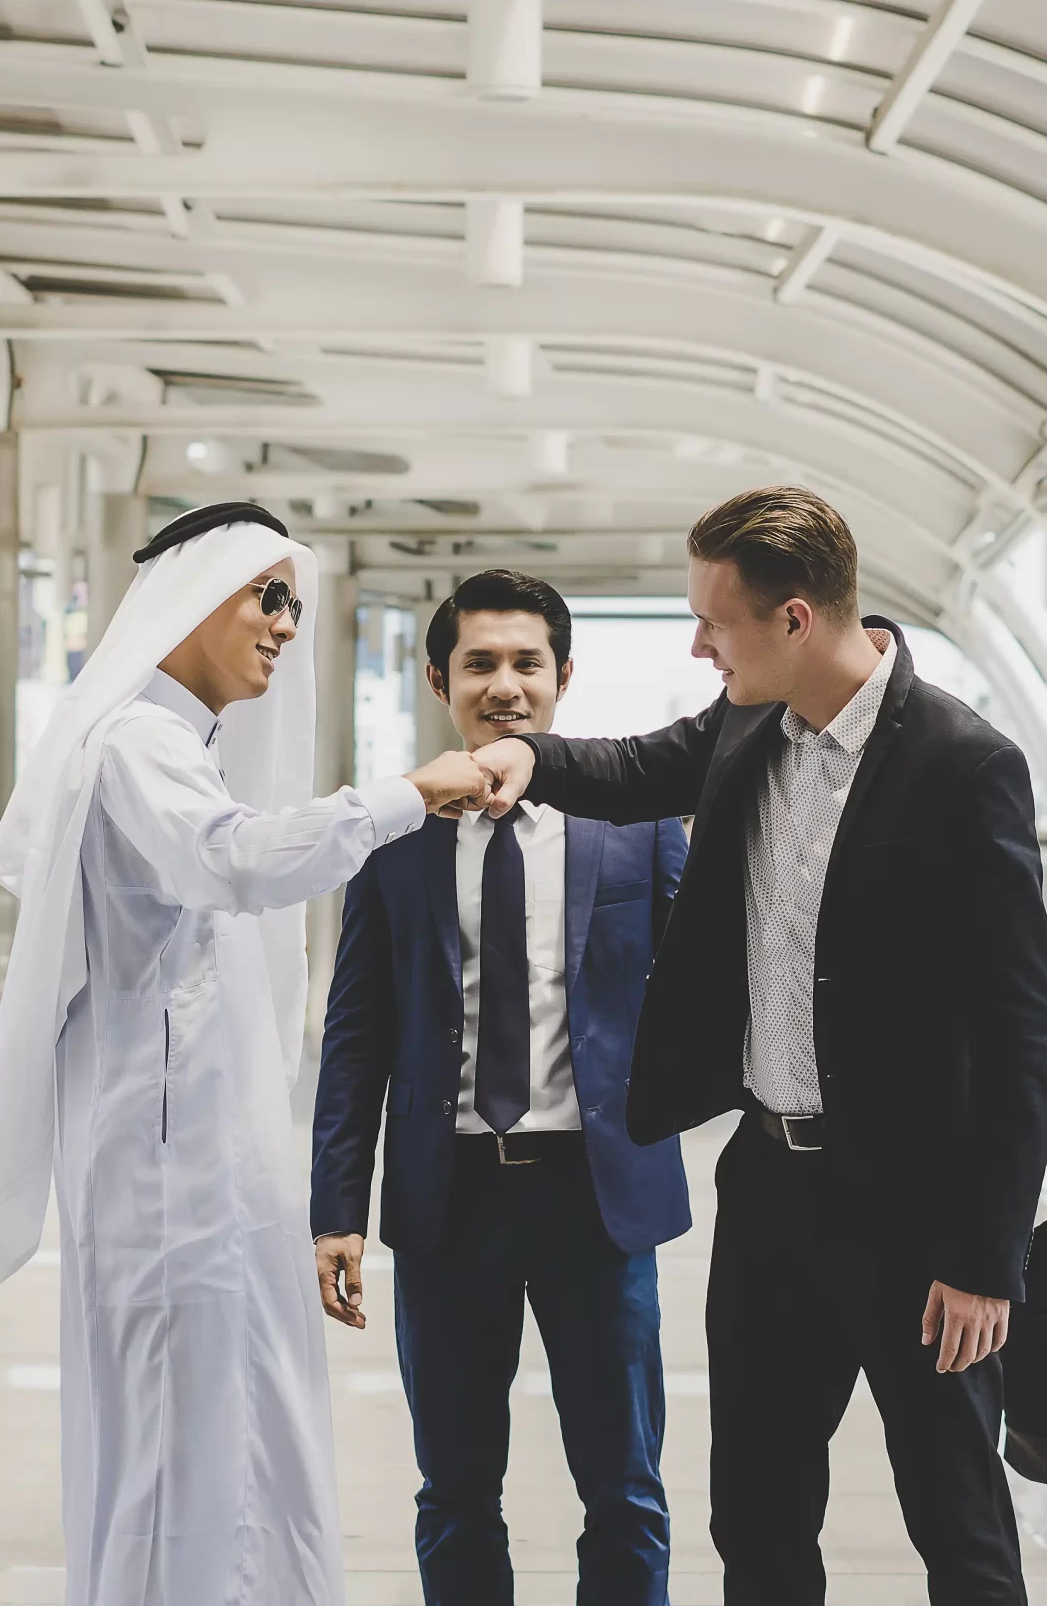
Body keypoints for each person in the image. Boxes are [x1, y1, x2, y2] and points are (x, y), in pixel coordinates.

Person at [471, 487, 1047, 1605]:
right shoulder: (746, 722)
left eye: (713, 621)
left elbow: (1022, 1027)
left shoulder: (962, 762)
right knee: (755, 1510)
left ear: (794, 619)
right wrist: (527, 761)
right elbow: (639, 766)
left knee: (955, 1519)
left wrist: (988, 1258)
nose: (698, 645)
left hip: (917, 1212)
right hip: (771, 1194)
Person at [0, 501, 493, 1606]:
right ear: (194, 600)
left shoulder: (177, 749)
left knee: (238, 1434)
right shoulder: (137, 747)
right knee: (175, 1447)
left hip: (209, 1171)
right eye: (268, 596)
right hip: (166, 1180)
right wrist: (405, 794)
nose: (287, 625)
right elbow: (232, 862)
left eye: (293, 602)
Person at [311, 569, 691, 1606]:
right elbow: (358, 1033)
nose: (505, 684)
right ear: (441, 679)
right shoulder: (393, 838)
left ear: (564, 676)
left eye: (528, 662)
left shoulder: (638, 822)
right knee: (455, 1486)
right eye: (480, 663)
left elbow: (704, 978)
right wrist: (335, 1207)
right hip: (451, 1199)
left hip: (596, 1196)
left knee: (623, 1486)